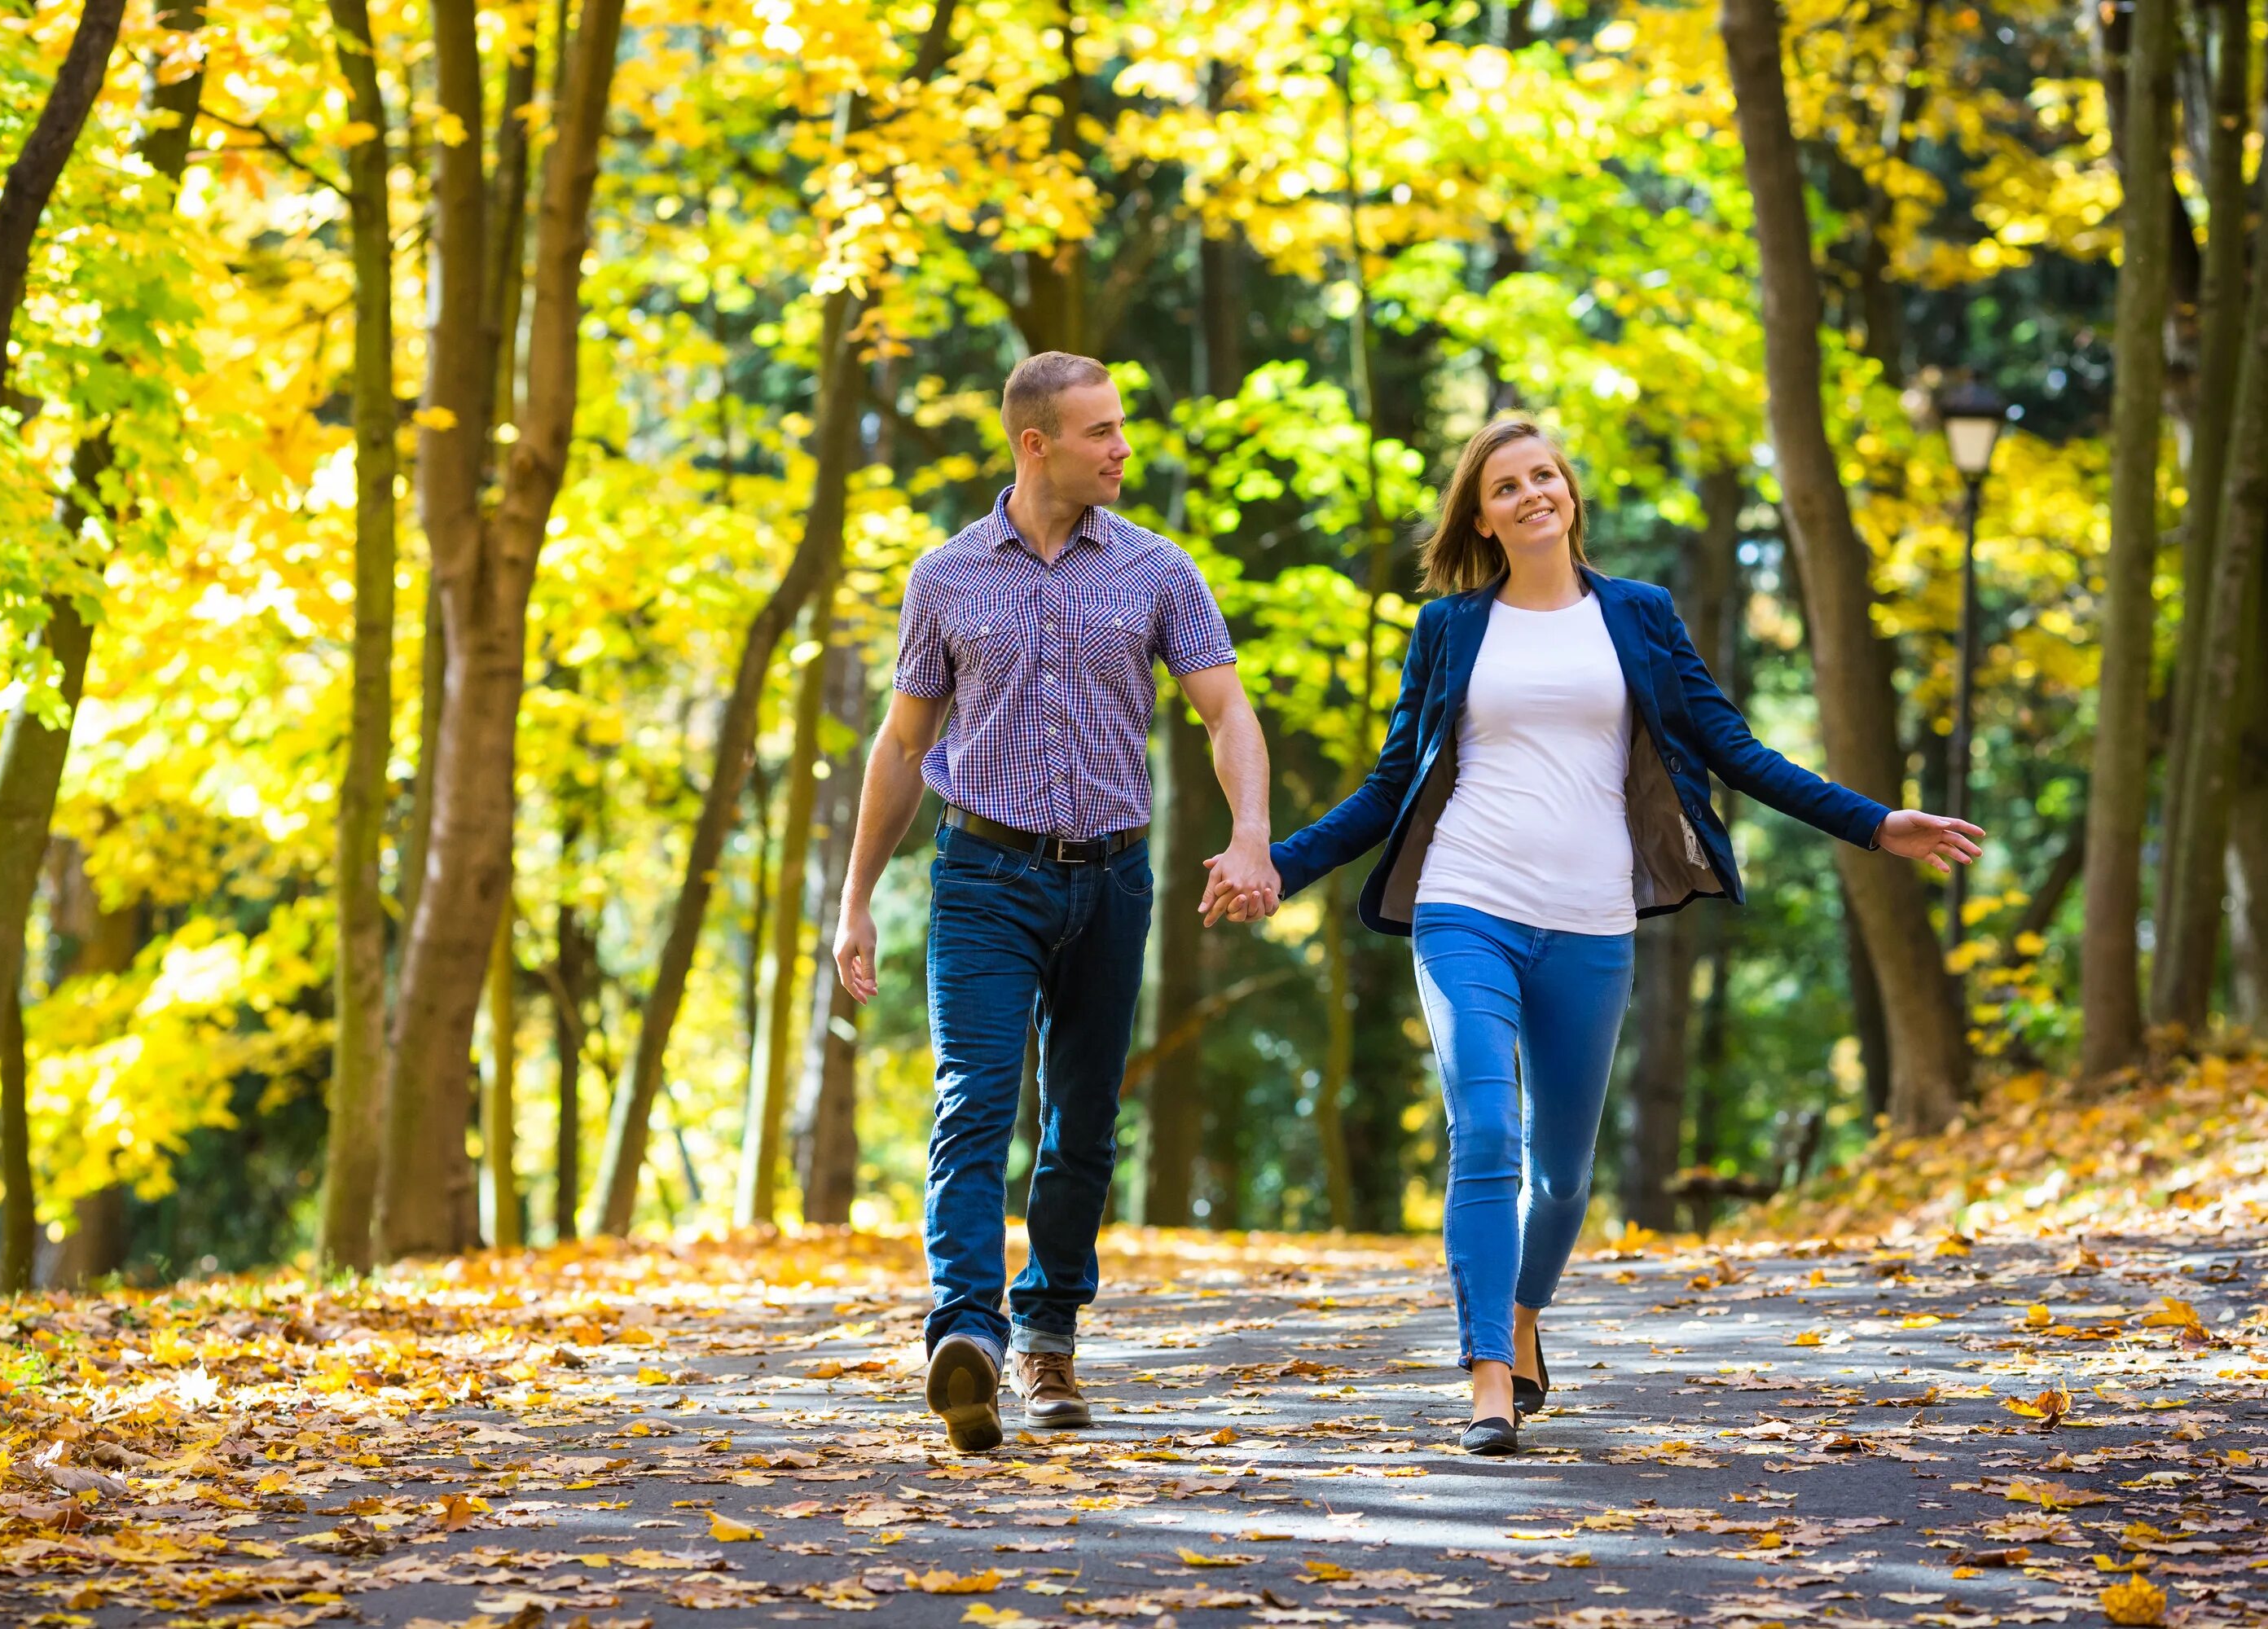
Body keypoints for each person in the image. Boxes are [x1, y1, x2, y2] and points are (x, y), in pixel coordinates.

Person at [1251, 419, 1981, 1456]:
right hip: (1468, 902)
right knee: (1488, 1137)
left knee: (1563, 1180)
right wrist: (1281, 863)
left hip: (1591, 920)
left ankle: (1522, 1312)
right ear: (1484, 517)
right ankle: (1487, 1380)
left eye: (1543, 474)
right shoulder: (1451, 628)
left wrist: (1874, 822)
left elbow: (1733, 746)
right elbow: (1388, 786)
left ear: (1570, 494)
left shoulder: (1637, 616)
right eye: (1505, 486)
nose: (1530, 493)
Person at [833, 351, 1282, 1452]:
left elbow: (1226, 714)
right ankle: (968, 1339)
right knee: (972, 1104)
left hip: (1113, 878)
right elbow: (903, 746)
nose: (1123, 448)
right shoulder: (946, 578)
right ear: (1036, 445)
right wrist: (855, 900)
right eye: (1102, 433)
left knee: (1084, 1123)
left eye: (1121, 429)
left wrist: (1251, 835)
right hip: (982, 875)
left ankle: (1046, 1336)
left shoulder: (1158, 571)